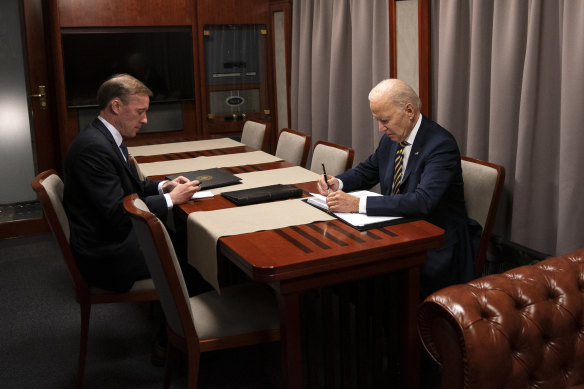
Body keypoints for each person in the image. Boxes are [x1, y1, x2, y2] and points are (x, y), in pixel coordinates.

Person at [317, 78, 480, 297]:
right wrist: (338, 182)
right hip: (396, 232)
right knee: (344, 269)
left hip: (435, 243)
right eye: (376, 120)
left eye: (385, 120)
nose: (380, 128)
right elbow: (367, 171)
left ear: (409, 111)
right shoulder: (392, 138)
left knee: (363, 277)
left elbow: (423, 201)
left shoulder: (440, 144)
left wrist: (357, 204)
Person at [63, 73, 204, 294]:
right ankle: (188, 323)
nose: (145, 119)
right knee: (200, 258)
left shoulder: (106, 137)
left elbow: (130, 188)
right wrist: (171, 199)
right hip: (108, 255)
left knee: (192, 243)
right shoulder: (93, 148)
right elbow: (118, 212)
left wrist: (163, 187)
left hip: (114, 238)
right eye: (140, 112)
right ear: (116, 106)